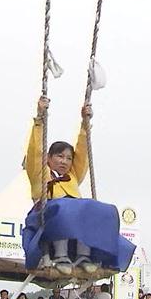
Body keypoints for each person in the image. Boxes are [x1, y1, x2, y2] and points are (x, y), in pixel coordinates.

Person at [24, 97, 97, 273]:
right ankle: (61, 255)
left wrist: (84, 125)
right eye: (59, 156)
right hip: (46, 216)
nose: (64, 161)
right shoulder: (40, 175)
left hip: (73, 216)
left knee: (97, 211)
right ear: (48, 158)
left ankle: (84, 254)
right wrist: (40, 117)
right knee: (64, 210)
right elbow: (35, 152)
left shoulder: (72, 177)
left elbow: (82, 154)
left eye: (68, 158)